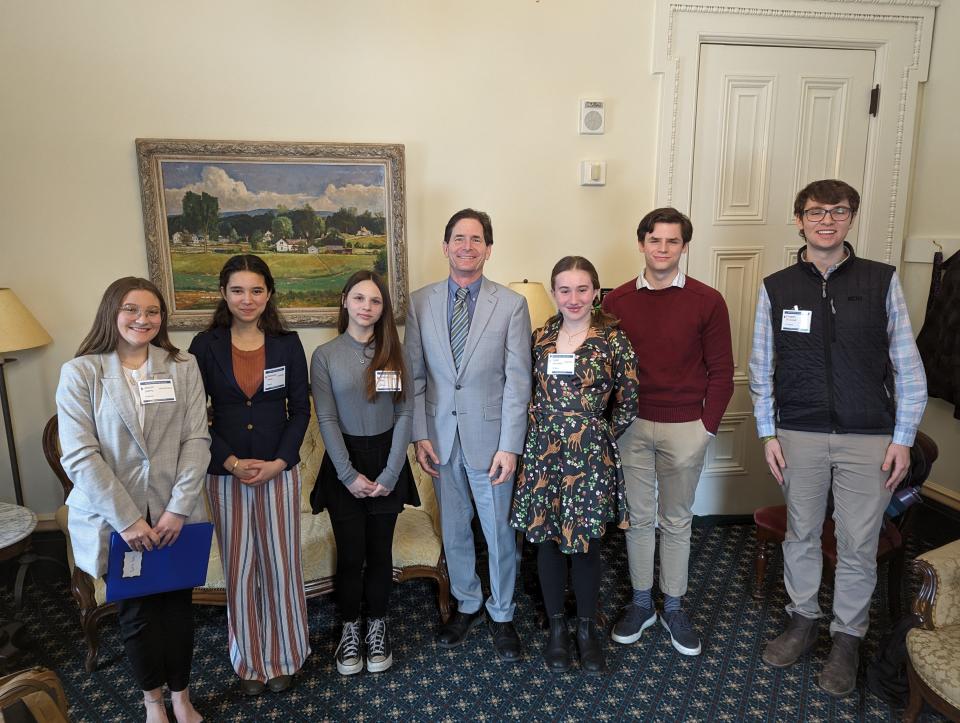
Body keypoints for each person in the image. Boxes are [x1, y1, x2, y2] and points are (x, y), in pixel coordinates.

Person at [748, 179, 927, 697]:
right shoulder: (777, 286)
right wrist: (767, 433)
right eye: (816, 211)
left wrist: (902, 437)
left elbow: (907, 366)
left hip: (869, 434)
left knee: (857, 542)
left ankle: (847, 638)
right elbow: (763, 366)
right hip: (798, 431)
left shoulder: (880, 280)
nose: (827, 220)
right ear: (798, 218)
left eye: (839, 211)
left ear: (852, 218)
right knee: (801, 532)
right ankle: (802, 619)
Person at [57, 277, 209, 723]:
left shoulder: (183, 366)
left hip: (173, 513)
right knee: (138, 614)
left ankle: (181, 696)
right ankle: (153, 702)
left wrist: (178, 508)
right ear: (112, 313)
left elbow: (197, 438)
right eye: (131, 309)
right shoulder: (81, 372)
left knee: (179, 611)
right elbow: (80, 455)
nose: (143, 319)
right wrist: (126, 520)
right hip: (116, 519)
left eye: (153, 312)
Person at [602, 207, 734, 656]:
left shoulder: (707, 300)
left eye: (672, 242)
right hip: (632, 427)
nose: (662, 249)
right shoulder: (616, 301)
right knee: (638, 520)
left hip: (686, 427)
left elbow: (722, 372)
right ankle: (642, 605)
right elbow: (606, 368)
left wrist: (706, 429)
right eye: (654, 240)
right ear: (641, 244)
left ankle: (674, 606)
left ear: (683, 247)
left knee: (676, 520)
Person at [405, 208, 532, 661]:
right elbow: (415, 376)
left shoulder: (512, 305)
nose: (466, 246)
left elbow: (519, 383)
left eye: (476, 239)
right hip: (439, 439)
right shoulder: (419, 303)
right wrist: (420, 435)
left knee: (498, 531)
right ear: (445, 247)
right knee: (454, 527)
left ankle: (502, 613)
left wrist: (510, 447)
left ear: (489, 249)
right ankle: (467, 602)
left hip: (492, 441)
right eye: (458, 238)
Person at [188, 255, 310, 696]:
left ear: (269, 294)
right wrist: (232, 462)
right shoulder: (204, 346)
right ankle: (249, 663)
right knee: (240, 568)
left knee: (281, 564)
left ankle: (286, 658)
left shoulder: (287, 344)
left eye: (256, 290)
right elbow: (193, 418)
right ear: (224, 294)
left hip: (279, 471)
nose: (247, 299)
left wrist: (280, 461)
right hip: (225, 474)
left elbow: (300, 411)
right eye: (238, 290)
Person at [510, 256, 638, 673]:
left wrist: (596, 435)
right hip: (543, 454)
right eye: (565, 289)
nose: (574, 298)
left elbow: (629, 401)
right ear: (553, 293)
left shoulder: (613, 339)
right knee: (546, 542)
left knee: (586, 547)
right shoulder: (541, 336)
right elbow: (525, 391)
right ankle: (557, 631)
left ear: (596, 292)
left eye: (583, 289)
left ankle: (586, 631)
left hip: (588, 457)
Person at [310, 270, 418, 676]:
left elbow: (406, 411)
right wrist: (348, 475)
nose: (367, 307)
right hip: (344, 464)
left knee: (379, 555)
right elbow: (326, 418)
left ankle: (377, 625)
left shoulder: (396, 352)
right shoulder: (325, 355)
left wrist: (391, 473)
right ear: (345, 302)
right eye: (359, 299)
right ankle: (350, 629)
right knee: (351, 555)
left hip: (387, 457)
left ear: (383, 309)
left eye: (375, 301)